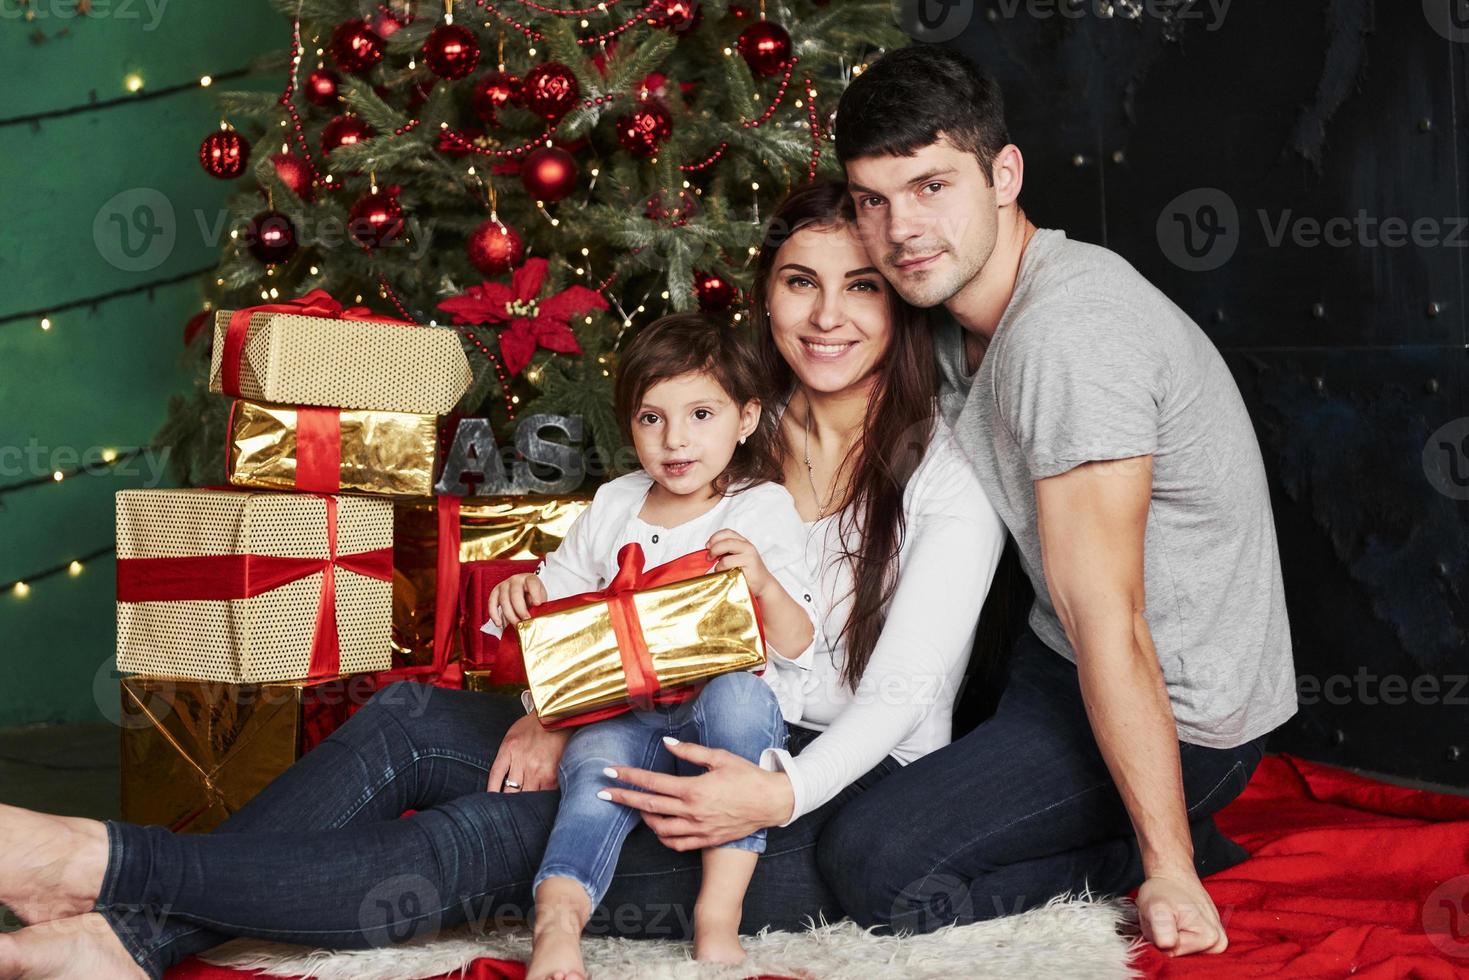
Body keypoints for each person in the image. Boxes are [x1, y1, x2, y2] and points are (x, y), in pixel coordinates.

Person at [0, 179, 1007, 980]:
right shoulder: (725, 428)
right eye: (800, 280)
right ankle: (124, 941)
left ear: (901, 299)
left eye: (862, 284)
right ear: (766, 295)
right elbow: (621, 604)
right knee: (406, 717)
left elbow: (897, 700)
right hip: (650, 713)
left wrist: (770, 796)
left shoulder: (943, 476)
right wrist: (557, 709)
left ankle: (99, 864)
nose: (827, 314)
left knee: (482, 831)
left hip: (808, 785)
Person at [800, 45, 1298, 956]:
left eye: (929, 186)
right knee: (836, 786)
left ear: (1004, 174)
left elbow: (1112, 619)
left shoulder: (1069, 342)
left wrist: (1167, 863)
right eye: (873, 199)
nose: (900, 228)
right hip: (1048, 656)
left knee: (879, 865)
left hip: (1179, 710)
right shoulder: (951, 314)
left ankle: (1157, 850)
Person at [482, 313, 823, 978]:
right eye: (650, 418)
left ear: (746, 418)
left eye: (701, 413)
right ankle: (557, 928)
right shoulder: (614, 503)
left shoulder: (759, 507)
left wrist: (761, 579)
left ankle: (715, 920)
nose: (675, 440)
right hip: (620, 709)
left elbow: (797, 640)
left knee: (741, 697)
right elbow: (560, 602)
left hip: (713, 716)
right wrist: (525, 592)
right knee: (593, 784)